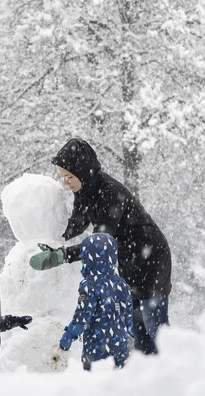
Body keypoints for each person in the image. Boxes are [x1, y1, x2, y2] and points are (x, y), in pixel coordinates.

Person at [31, 138, 172, 354]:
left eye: (69, 177)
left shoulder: (110, 193)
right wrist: (52, 237)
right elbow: (76, 226)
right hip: (130, 258)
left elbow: (100, 244)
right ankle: (151, 377)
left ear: (82, 172)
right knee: (136, 328)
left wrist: (61, 255)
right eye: (63, 177)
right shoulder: (84, 190)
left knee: (154, 326)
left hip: (151, 258)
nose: (66, 182)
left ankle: (177, 368)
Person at [58, 233, 134, 370]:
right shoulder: (122, 284)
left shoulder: (89, 286)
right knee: (118, 383)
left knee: (94, 385)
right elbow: (129, 317)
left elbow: (82, 317)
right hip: (120, 346)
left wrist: (69, 335)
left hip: (97, 347)